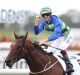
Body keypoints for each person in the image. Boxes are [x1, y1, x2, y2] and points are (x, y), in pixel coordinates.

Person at [34, 7, 74, 73]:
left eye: (47, 14)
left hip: (68, 35)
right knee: (50, 51)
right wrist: (36, 22)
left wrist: (44, 40)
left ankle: (70, 66)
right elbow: (36, 32)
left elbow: (56, 35)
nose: (45, 16)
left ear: (50, 14)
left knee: (61, 49)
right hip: (60, 37)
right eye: (43, 15)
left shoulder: (56, 20)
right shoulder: (43, 23)